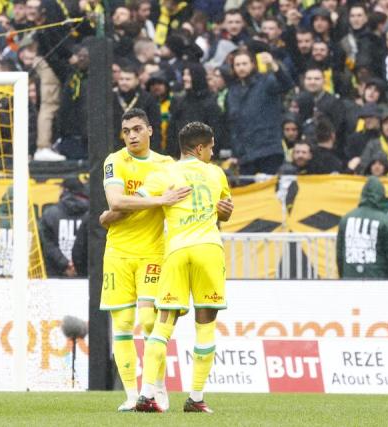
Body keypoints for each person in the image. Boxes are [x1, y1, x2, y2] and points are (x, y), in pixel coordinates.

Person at [136, 122, 233, 414]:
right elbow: (225, 211)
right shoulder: (216, 173)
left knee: (163, 324)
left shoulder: (165, 172)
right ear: (200, 148)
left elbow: (136, 203)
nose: (212, 153)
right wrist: (224, 212)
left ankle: (147, 394)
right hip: (208, 250)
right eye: (211, 148)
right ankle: (196, 398)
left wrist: (158, 201)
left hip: (176, 251)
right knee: (205, 326)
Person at [98, 108, 188, 412]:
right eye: (126, 131)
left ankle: (156, 388)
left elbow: (115, 211)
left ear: (150, 130)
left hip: (152, 252)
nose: (132, 136)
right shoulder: (114, 161)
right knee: (122, 323)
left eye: (137, 129)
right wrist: (157, 200)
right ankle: (130, 395)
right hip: (118, 253)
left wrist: (114, 213)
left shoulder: (166, 165)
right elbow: (115, 201)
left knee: (149, 321)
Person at [226, 50, 294, 175]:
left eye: (244, 64)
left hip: (268, 149)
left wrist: (274, 66)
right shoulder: (232, 91)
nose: (241, 68)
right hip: (245, 154)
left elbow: (286, 84)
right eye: (237, 65)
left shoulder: (266, 81)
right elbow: (233, 124)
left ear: (253, 64)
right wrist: (235, 153)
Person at [336, 177, 388, 279]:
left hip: (349, 279)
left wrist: (343, 276)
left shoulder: (345, 219)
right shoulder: (385, 221)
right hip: (377, 279)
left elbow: (340, 255)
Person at [38, 177, 89, 277]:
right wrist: (78, 266)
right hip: (86, 276)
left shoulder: (49, 214)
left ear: (64, 190)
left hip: (56, 276)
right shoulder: (92, 215)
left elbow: (47, 244)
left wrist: (65, 263)